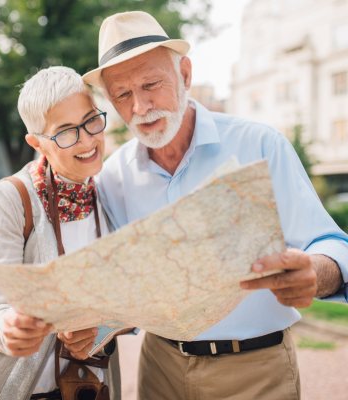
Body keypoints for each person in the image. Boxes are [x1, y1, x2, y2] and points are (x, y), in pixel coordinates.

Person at [83, 11, 348, 400]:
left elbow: (332, 245)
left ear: (185, 75)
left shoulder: (260, 146)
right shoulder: (112, 177)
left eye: (151, 84)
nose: (140, 106)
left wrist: (316, 271)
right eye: (123, 94)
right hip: (159, 368)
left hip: (256, 371)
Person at [0, 67, 121, 399]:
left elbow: (124, 300)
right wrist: (11, 328)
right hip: (4, 388)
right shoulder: (9, 196)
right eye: (66, 132)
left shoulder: (108, 193)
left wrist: (99, 328)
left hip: (86, 387)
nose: (87, 140)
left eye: (91, 121)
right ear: (37, 143)